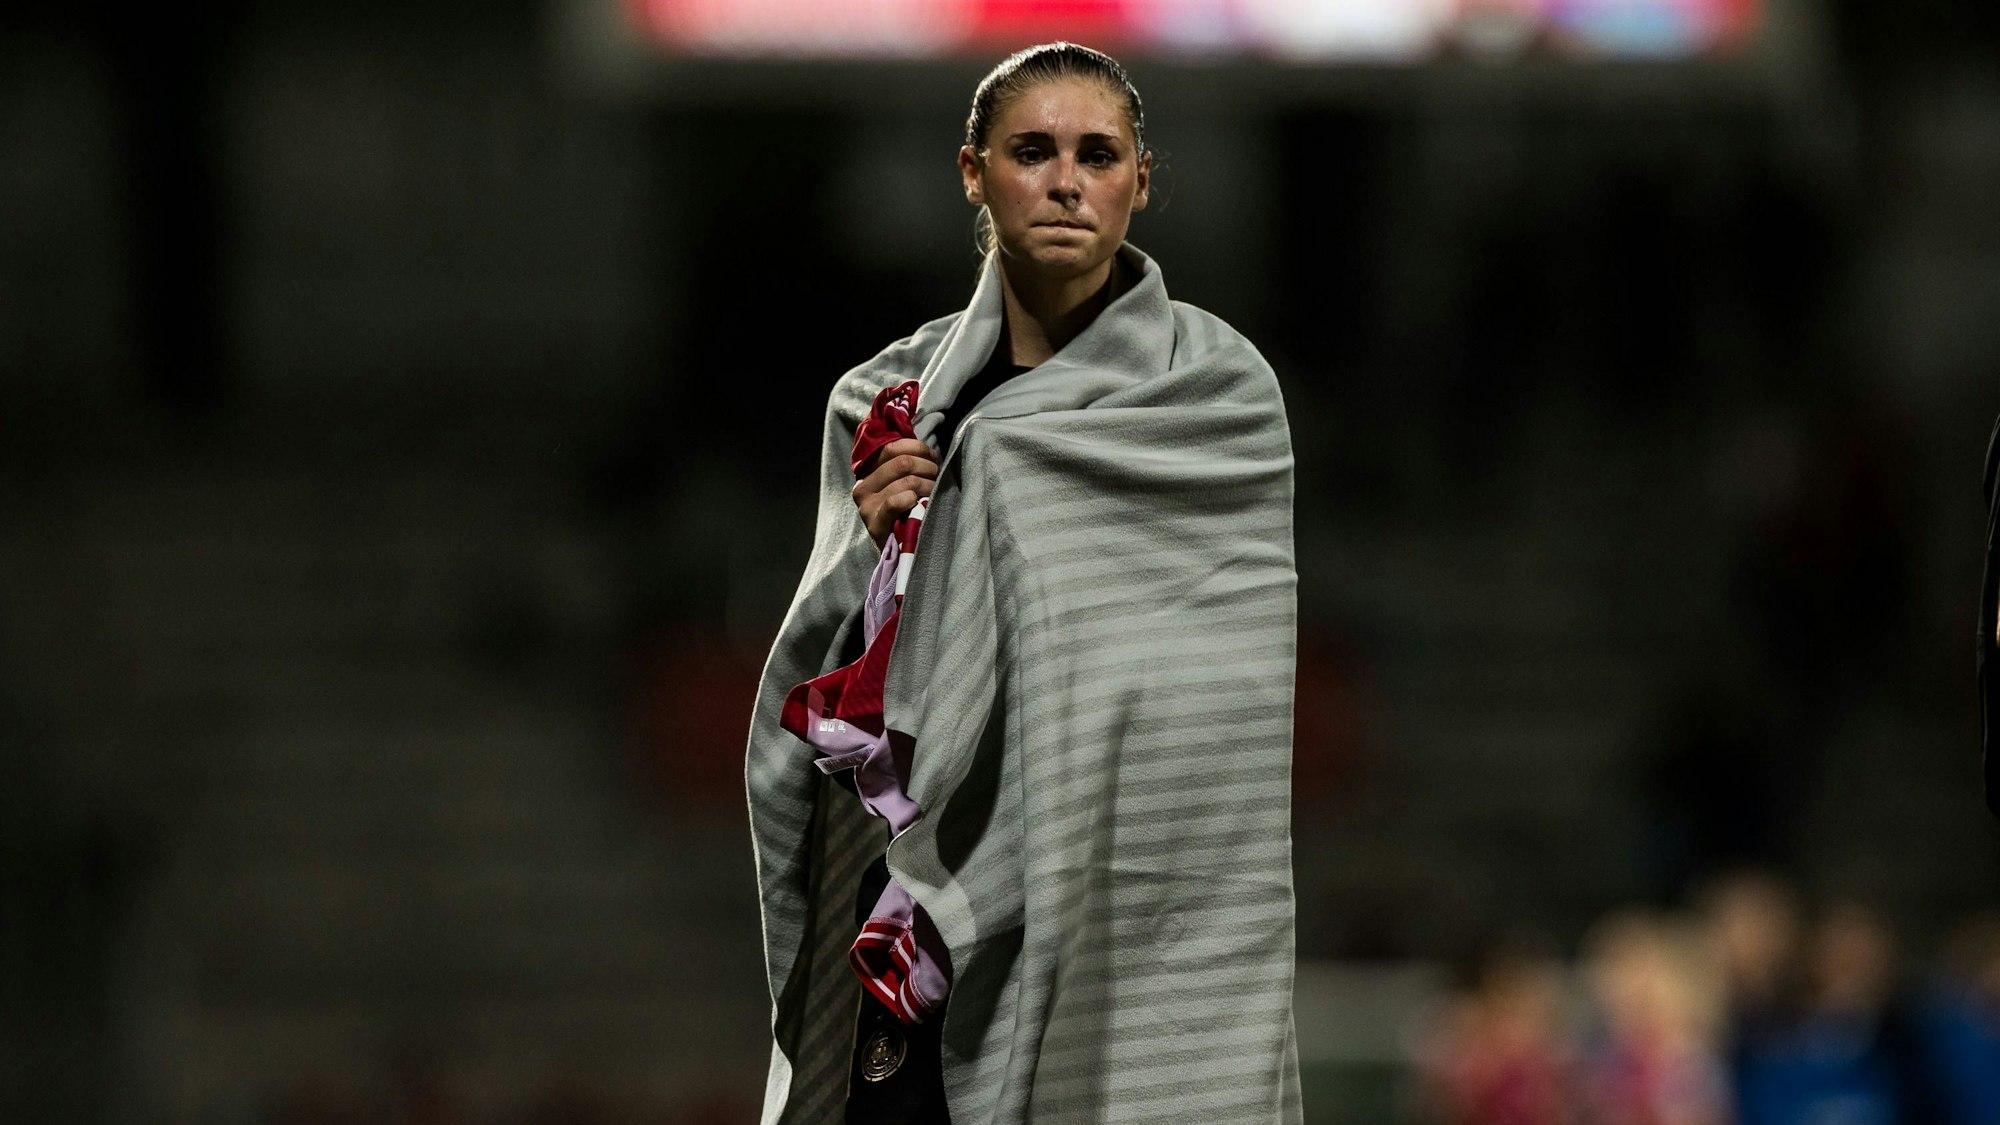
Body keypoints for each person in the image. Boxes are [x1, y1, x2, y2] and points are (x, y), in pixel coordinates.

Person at [743, 42, 1301, 1125]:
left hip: (1132, 880)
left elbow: (1220, 686)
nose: (1063, 181)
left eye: (1097, 155)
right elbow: (826, 701)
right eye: (1030, 151)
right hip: (914, 902)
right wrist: (880, 544)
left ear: (1141, 180)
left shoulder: (1217, 396)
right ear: (972, 172)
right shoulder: (882, 401)